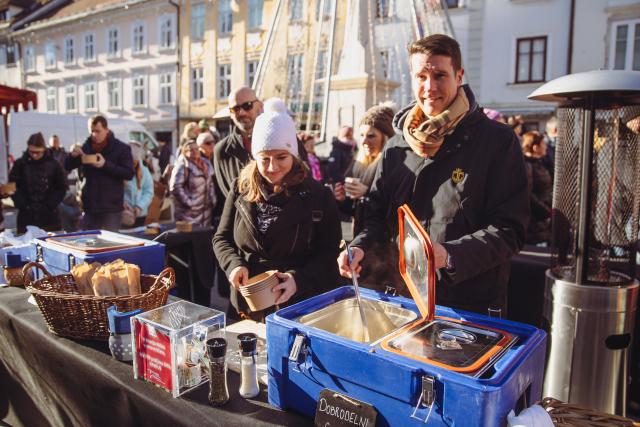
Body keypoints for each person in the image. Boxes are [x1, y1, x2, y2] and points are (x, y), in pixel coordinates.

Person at [337, 34, 530, 316]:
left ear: (459, 75)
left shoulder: (497, 141)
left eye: (440, 75)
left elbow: (510, 230)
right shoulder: (396, 146)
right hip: (402, 299)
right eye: (421, 76)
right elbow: (376, 217)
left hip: (468, 306)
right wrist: (359, 247)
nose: (430, 87)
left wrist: (451, 255)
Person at [213, 98, 341, 321]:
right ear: (255, 157)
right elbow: (221, 238)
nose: (272, 167)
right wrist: (233, 265)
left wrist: (297, 279)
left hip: (298, 306)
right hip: (247, 304)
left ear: (293, 154)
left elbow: (329, 253)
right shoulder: (240, 188)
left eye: (281, 157)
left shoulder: (319, 196)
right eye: (264, 159)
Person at [334, 104, 395, 236]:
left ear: (386, 137)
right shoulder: (359, 163)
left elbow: (397, 208)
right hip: (361, 238)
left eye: (371, 135)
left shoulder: (394, 164)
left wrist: (367, 193)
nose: (363, 141)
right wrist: (343, 199)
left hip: (384, 243)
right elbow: (354, 210)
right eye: (361, 135)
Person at [65, 115, 134, 231]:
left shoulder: (121, 148)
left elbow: (129, 173)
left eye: (97, 131)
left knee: (110, 245)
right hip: (90, 207)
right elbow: (67, 166)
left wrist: (105, 165)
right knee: (90, 243)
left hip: (111, 208)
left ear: (106, 130)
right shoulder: (85, 147)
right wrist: (72, 156)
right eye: (92, 131)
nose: (94, 134)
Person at [9, 132, 67, 233]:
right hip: (26, 216)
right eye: (32, 152)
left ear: (44, 149)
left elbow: (61, 187)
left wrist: (50, 205)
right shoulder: (20, 164)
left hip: (50, 217)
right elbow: (12, 186)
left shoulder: (54, 164)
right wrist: (22, 203)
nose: (35, 155)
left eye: (38, 152)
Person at [170, 140, 217, 226]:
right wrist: (189, 203)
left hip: (206, 213)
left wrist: (212, 199)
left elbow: (210, 183)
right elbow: (175, 187)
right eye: (191, 150)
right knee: (189, 238)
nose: (195, 151)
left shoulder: (205, 164)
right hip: (188, 215)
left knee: (203, 237)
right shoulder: (182, 166)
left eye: (196, 149)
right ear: (185, 152)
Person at [521, 131, 552, 245]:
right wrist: (546, 211)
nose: (546, 147)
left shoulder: (539, 163)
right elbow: (528, 195)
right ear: (535, 147)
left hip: (541, 222)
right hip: (534, 224)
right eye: (543, 144)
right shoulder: (526, 165)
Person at [123, 141, 154, 227]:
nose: (132, 164)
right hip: (123, 214)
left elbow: (148, 191)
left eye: (135, 161)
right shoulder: (120, 170)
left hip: (140, 214)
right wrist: (121, 203)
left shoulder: (144, 171)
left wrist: (139, 206)